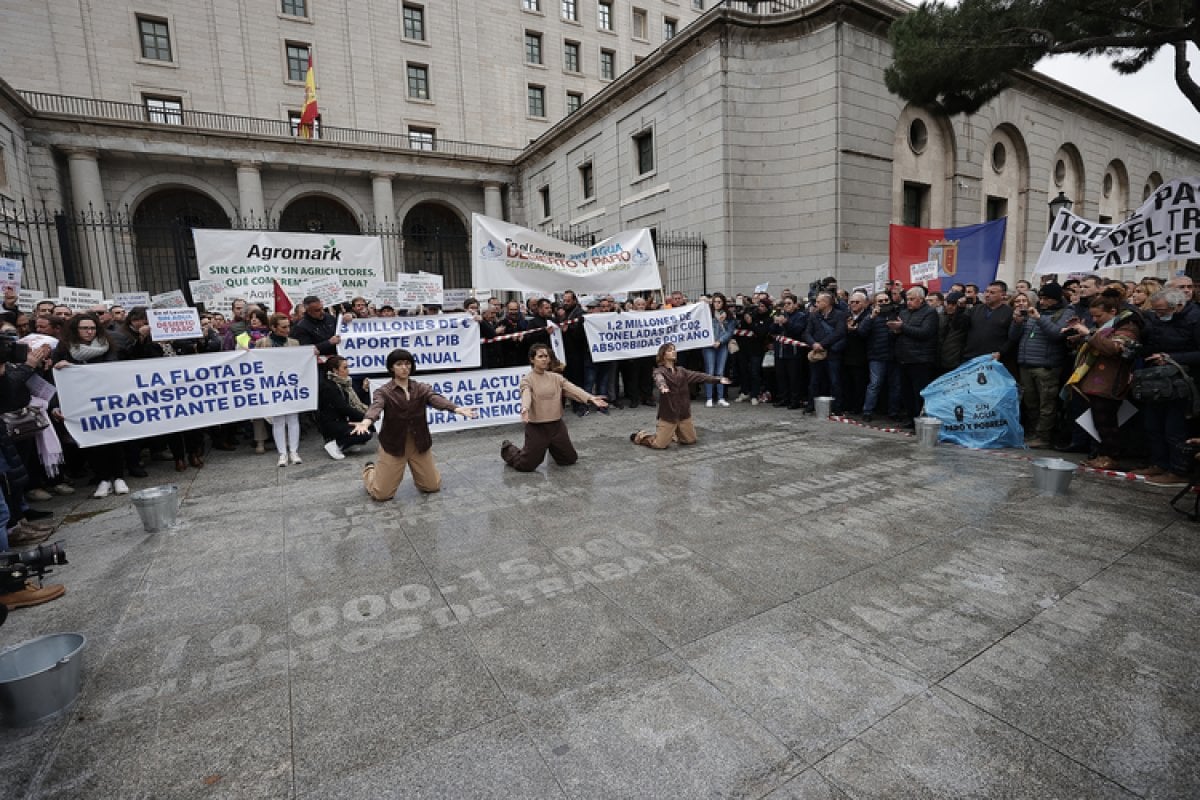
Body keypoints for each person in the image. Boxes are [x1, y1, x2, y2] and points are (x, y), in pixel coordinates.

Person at [353, 348, 477, 498]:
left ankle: (421, 476)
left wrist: (456, 409)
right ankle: (370, 471)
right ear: (391, 367)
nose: (404, 367)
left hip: (419, 443)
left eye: (407, 363)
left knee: (432, 486)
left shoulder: (421, 388)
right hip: (394, 445)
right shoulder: (383, 391)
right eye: (399, 364)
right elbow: (376, 406)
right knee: (381, 494)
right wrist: (366, 422)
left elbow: (435, 398)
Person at [1063, 289, 1144, 470]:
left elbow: (1113, 348)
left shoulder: (1128, 326)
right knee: (1099, 420)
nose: (1094, 320)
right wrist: (1078, 336)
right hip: (1096, 379)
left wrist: (1090, 334)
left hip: (1111, 380)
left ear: (1112, 312)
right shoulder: (1107, 326)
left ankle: (1111, 456)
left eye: (1098, 316)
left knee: (1107, 421)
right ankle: (1102, 454)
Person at [52, 313, 129, 497]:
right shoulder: (63, 349)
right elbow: (56, 380)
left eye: (92, 328)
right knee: (92, 440)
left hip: (106, 399)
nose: (89, 332)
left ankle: (119, 477)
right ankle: (103, 478)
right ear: (75, 330)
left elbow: (114, 369)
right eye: (84, 328)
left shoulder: (107, 345)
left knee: (114, 439)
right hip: (81, 402)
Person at [501, 343, 608, 471]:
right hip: (537, 428)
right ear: (532, 359)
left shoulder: (556, 378)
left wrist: (590, 398)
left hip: (557, 426)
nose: (545, 359)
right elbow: (526, 393)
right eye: (540, 356)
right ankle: (508, 449)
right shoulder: (527, 380)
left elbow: (572, 389)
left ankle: (552, 446)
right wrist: (525, 408)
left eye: (547, 356)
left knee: (569, 459)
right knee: (526, 466)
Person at [1137, 287, 1200, 487]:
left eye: (1162, 311)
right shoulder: (1157, 319)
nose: (1158, 315)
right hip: (1157, 380)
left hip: (1183, 381)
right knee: (1152, 424)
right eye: (1156, 311)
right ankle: (1159, 463)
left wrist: (1172, 358)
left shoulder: (1195, 319)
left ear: (1178, 306)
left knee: (1175, 428)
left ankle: (1178, 470)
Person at [1008, 282, 1075, 449]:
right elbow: (1014, 337)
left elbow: (1056, 334)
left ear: (1056, 299)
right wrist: (1016, 322)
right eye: (1041, 298)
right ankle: (1033, 432)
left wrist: (1039, 318)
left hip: (1046, 366)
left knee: (1047, 404)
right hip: (1026, 363)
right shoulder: (1033, 311)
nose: (1042, 302)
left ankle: (1044, 436)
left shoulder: (1066, 313)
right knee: (1030, 403)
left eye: (1046, 299)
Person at [631, 342, 730, 449]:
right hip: (669, 415)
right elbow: (659, 378)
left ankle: (674, 433)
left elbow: (699, 376)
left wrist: (718, 379)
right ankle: (642, 436)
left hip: (683, 414)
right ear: (663, 355)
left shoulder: (682, 371)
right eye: (669, 350)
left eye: (674, 349)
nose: (673, 352)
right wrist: (662, 386)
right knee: (659, 445)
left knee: (690, 440)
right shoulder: (659, 371)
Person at [256, 313, 304, 466]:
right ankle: (282, 454)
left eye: (288, 326)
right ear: (273, 327)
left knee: (293, 418)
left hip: (290, 385)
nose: (287, 329)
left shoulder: (294, 343)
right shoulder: (262, 343)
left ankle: (294, 451)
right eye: (283, 327)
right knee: (278, 420)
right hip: (273, 386)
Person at [887, 286, 939, 425]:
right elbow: (897, 333)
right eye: (907, 299)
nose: (908, 302)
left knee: (919, 393)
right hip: (904, 358)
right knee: (906, 392)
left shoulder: (930, 313)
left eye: (912, 299)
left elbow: (925, 333)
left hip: (921, 359)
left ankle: (920, 420)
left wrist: (902, 327)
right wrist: (894, 331)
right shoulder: (903, 313)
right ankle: (911, 418)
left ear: (921, 300)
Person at [317, 356, 374, 460]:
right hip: (332, 423)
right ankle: (336, 444)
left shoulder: (343, 383)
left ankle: (347, 444)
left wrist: (363, 389)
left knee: (368, 426)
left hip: (342, 420)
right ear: (335, 370)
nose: (348, 370)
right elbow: (343, 407)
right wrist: (366, 418)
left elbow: (352, 401)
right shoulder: (329, 387)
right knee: (365, 432)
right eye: (345, 368)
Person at [703, 293, 736, 407]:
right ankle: (709, 397)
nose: (716, 304)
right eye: (714, 301)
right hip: (709, 345)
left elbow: (729, 332)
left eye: (719, 302)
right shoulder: (707, 314)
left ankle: (721, 397)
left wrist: (720, 341)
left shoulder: (729, 316)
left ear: (723, 303)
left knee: (720, 372)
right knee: (710, 371)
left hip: (722, 346)